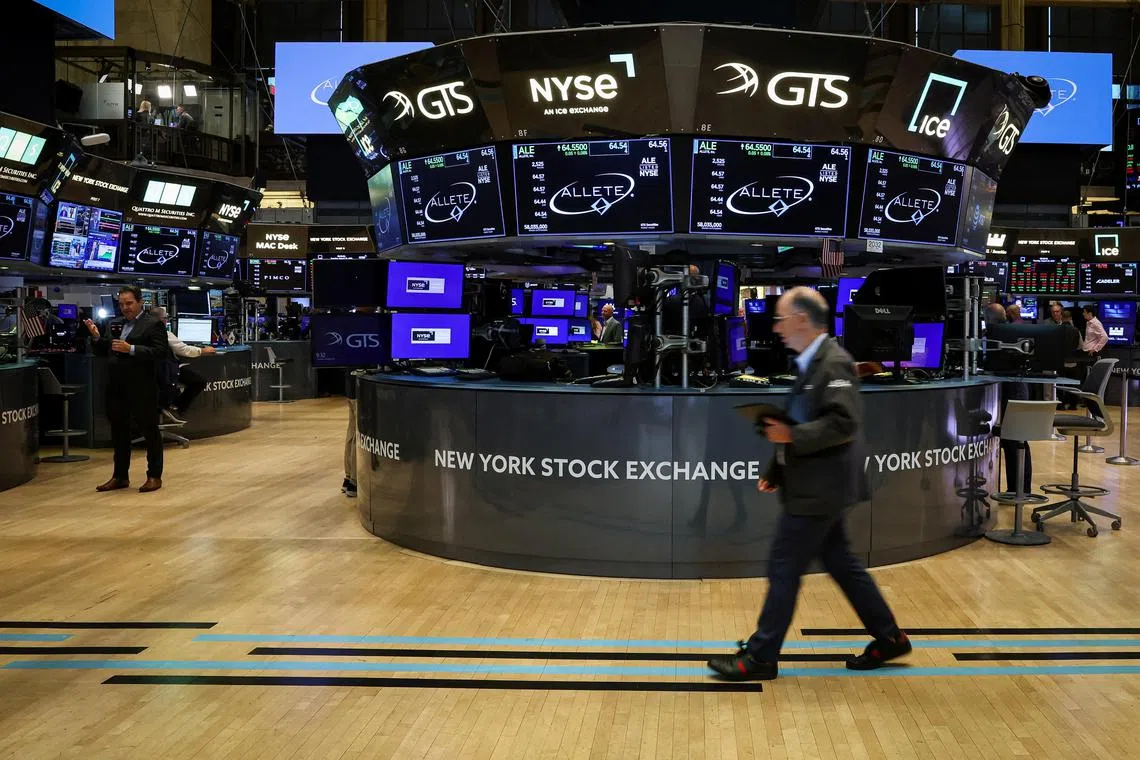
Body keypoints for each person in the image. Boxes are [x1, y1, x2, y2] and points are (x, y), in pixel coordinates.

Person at [707, 287, 909, 681]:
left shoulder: (833, 363)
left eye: (780, 319)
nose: (776, 328)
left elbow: (842, 424)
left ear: (802, 319)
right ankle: (890, 638)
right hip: (818, 482)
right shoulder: (811, 361)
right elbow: (798, 420)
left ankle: (761, 657)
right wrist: (776, 468)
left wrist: (790, 439)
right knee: (842, 564)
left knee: (784, 567)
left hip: (821, 488)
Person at [83, 286, 170, 493]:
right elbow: (106, 350)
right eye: (121, 304)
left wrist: (131, 349)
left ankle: (154, 475)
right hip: (116, 386)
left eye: (129, 303)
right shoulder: (115, 323)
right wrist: (96, 338)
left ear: (140, 302)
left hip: (142, 387)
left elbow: (160, 352)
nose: (125, 308)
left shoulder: (153, 324)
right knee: (119, 433)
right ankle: (120, 476)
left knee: (150, 431)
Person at [985, 303, 1033, 495]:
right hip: (1013, 389)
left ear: (988, 319)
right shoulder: (1005, 331)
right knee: (1011, 441)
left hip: (1014, 391)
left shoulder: (1001, 334)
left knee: (1016, 440)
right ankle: (1016, 489)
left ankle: (1021, 490)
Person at [150, 307, 216, 422]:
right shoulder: (165, 334)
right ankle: (175, 407)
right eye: (165, 318)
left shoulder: (144, 332)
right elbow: (184, 350)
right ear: (160, 320)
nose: (167, 320)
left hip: (150, 373)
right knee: (199, 381)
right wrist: (203, 351)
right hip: (166, 372)